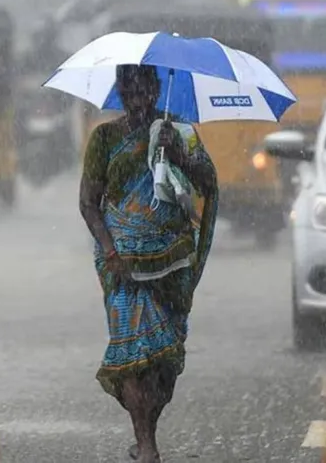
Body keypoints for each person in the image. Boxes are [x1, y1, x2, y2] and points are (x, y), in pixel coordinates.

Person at [78, 64, 219, 463]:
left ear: (157, 89)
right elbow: (89, 203)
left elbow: (208, 183)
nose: (137, 96)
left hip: (171, 264)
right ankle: (146, 442)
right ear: (120, 91)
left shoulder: (181, 133)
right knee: (131, 356)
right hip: (121, 264)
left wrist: (180, 156)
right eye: (129, 88)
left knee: (163, 361)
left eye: (145, 88)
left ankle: (148, 429)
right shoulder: (104, 139)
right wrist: (110, 250)